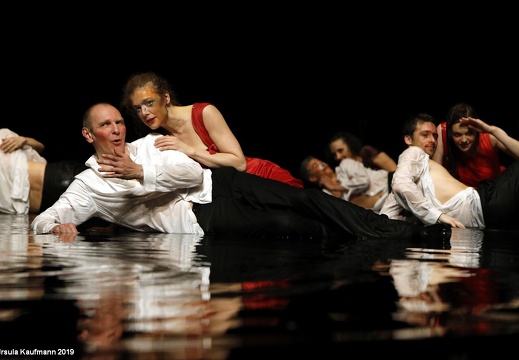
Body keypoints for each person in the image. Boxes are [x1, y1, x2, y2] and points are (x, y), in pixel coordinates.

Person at [31, 103, 451, 242]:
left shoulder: (143, 146)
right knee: (291, 227)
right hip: (201, 219)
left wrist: (140, 171)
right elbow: (44, 218)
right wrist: (56, 229)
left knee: (308, 198)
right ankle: (380, 233)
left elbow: (191, 174)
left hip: (220, 182)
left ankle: (408, 232)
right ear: (90, 135)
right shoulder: (88, 185)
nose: (118, 129)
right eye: (106, 125)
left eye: (118, 122)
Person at [120, 71, 303, 188]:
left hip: (262, 178)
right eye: (137, 108)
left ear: (166, 98)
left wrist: (188, 149)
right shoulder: (160, 138)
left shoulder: (203, 113)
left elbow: (239, 163)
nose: (144, 112)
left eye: (149, 103)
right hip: (234, 195)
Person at [379, 113, 519, 230]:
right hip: (485, 204)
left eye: (435, 136)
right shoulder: (414, 153)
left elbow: (386, 216)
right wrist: (437, 216)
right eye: (425, 135)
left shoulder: (416, 170)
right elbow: (399, 186)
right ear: (408, 139)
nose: (432, 140)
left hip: (485, 207)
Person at [0, 128, 87, 215]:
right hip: (46, 206)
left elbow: (40, 147)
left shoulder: (2, 135)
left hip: (57, 177)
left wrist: (24, 140)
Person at [432, 103, 519, 188]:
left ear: (476, 131)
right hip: (463, 194)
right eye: (457, 135)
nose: (464, 140)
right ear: (450, 133)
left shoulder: (489, 136)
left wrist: (492, 130)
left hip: (493, 192)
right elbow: (435, 175)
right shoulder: (443, 131)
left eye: (469, 133)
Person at [299, 155, 389, 213]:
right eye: (315, 165)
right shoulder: (326, 197)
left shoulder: (345, 165)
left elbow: (364, 181)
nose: (322, 164)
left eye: (320, 161)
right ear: (312, 178)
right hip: (385, 211)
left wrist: (336, 186)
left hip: (391, 186)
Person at [327, 131, 397, 172]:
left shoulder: (367, 153)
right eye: (334, 155)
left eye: (340, 150)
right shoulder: (344, 171)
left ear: (350, 145)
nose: (338, 157)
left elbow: (394, 170)